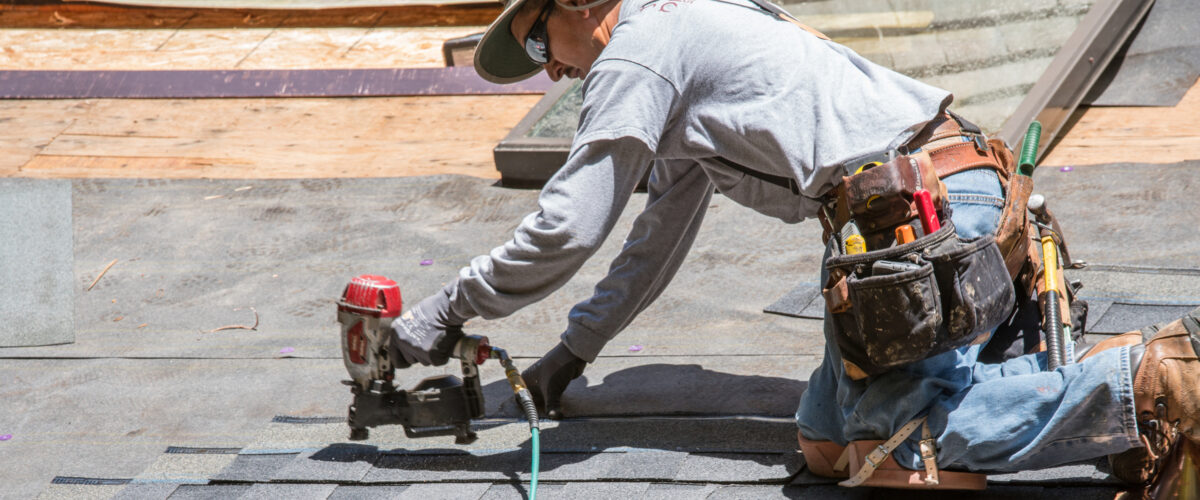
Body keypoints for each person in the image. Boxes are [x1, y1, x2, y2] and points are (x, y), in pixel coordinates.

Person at [386, 0, 1200, 487]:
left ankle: (1137, 387)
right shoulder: (693, 23)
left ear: (576, 1)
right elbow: (657, 232)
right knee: (821, 445)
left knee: (891, 453)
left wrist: (438, 313)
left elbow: (568, 224)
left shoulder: (635, 55)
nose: (547, 74)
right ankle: (1077, 394)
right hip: (941, 209)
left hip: (920, 228)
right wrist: (574, 350)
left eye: (536, 43)